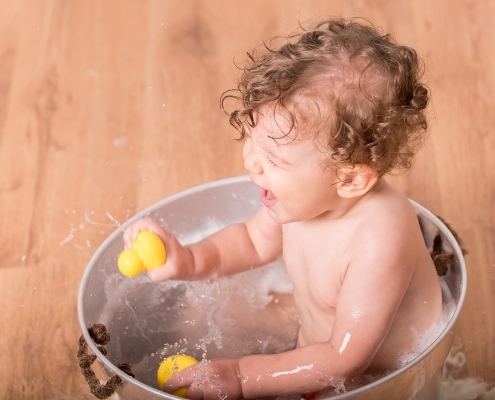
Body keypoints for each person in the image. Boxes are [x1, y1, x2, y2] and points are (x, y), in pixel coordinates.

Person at [123, 18, 442, 399]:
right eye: (252, 139)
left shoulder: (380, 240)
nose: (251, 162)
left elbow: (344, 360)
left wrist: (241, 377)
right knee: (195, 300)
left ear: (351, 180)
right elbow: (252, 241)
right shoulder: (301, 201)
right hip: (312, 336)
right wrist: (188, 259)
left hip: (371, 376)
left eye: (273, 158)